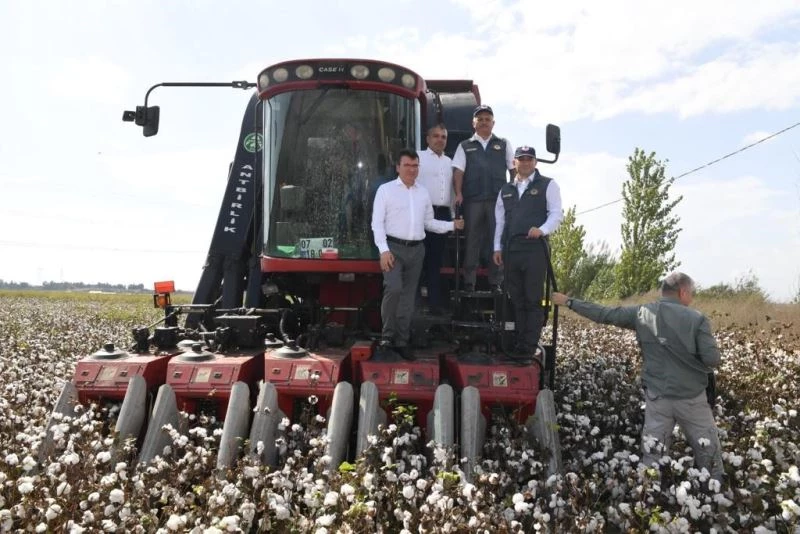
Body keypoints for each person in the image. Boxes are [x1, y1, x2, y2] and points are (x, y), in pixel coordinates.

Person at [551, 272, 724, 481]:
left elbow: (605, 314)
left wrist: (569, 302)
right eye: (692, 293)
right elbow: (712, 359)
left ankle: (649, 494)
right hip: (692, 399)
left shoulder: (641, 313)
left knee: (653, 456)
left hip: (657, 398)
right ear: (683, 292)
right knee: (709, 454)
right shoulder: (697, 319)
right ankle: (714, 494)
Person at [372, 148, 464, 360]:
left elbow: (429, 223)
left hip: (416, 250)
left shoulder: (423, 193)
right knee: (394, 289)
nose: (412, 170)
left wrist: (452, 225)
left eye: (415, 166)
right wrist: (383, 251)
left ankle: (402, 341)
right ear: (398, 167)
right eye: (407, 165)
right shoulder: (385, 191)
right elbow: (377, 224)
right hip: (393, 249)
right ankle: (387, 338)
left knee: (408, 296)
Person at [492, 146, 563, 354]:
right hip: (512, 250)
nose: (525, 162)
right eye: (521, 159)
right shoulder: (505, 190)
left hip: (535, 250)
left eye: (529, 159)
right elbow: (500, 222)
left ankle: (529, 346)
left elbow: (556, 214)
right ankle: (518, 342)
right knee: (517, 299)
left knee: (533, 299)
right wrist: (497, 248)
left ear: (535, 162)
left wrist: (542, 230)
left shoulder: (548, 185)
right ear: (514, 163)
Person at [452, 105, 515, 292]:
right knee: (472, 240)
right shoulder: (465, 146)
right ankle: (469, 282)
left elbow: (514, 170)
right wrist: (458, 193)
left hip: (497, 201)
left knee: (497, 240)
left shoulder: (503, 144)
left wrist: (512, 193)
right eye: (480, 119)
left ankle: (496, 282)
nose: (484, 122)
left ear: (493, 123)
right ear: (474, 124)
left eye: (487, 119)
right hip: (473, 201)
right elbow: (458, 172)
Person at [417, 124, 454, 315]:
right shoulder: (418, 158)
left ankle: (434, 304)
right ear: (428, 139)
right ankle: (414, 303)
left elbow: (453, 191)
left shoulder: (450, 162)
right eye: (436, 136)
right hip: (421, 212)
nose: (440, 140)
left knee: (435, 261)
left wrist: (453, 217)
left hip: (443, 214)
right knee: (417, 259)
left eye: (443, 137)